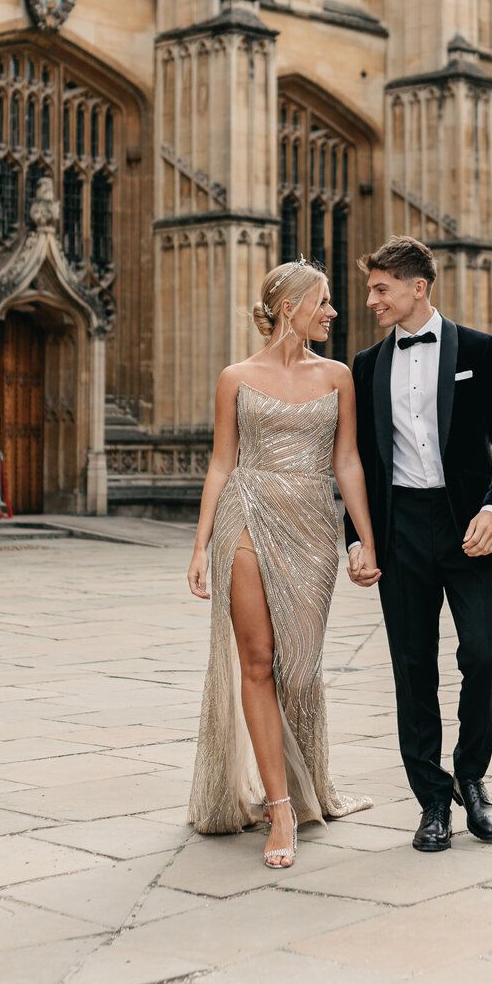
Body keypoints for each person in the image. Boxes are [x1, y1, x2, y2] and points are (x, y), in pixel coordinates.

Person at [187, 258, 381, 868]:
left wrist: (365, 540)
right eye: (323, 302)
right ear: (290, 307)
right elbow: (222, 463)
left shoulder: (340, 376)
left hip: (313, 529)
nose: (333, 312)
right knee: (258, 661)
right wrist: (199, 547)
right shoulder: (234, 377)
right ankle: (279, 808)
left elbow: (347, 462)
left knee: (299, 670)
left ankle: (305, 781)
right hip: (245, 514)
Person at [346, 236, 492, 852]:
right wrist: (357, 540)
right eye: (371, 288)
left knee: (483, 657)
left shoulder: (479, 349)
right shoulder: (365, 366)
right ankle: (431, 802)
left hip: (469, 526)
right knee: (412, 667)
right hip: (401, 532)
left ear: (417, 287)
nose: (370, 300)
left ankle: (472, 778)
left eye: (380, 288)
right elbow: (357, 461)